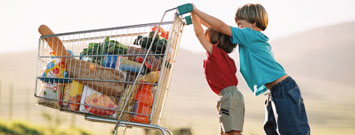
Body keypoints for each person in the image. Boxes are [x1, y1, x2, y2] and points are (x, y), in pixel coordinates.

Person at [187, 3, 310, 135]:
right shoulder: (249, 37)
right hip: (275, 92)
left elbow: (221, 27)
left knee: (293, 132)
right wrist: (198, 19)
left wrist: (196, 11)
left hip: (283, 89)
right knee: (273, 131)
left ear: (253, 23)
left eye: (239, 24)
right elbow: (219, 30)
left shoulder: (250, 35)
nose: (237, 28)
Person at [191, 12, 245, 135]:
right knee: (226, 132)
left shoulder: (216, 54)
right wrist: (197, 20)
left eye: (208, 38)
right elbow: (211, 29)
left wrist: (193, 13)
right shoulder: (222, 57)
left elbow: (199, 34)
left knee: (232, 133)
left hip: (229, 97)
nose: (205, 41)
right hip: (229, 97)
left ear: (216, 43)